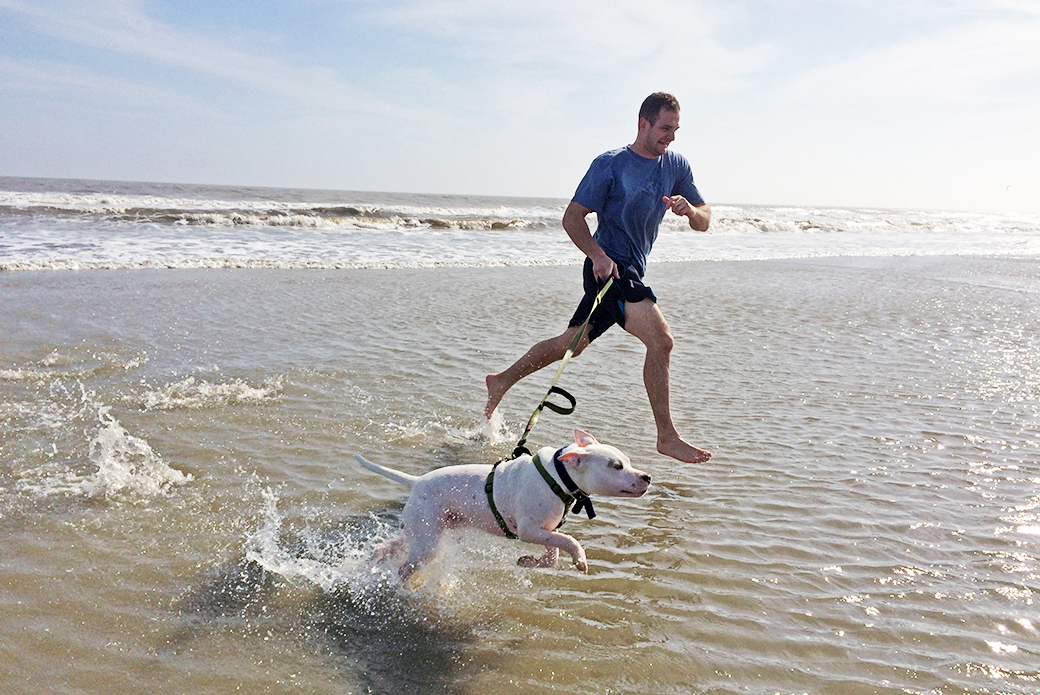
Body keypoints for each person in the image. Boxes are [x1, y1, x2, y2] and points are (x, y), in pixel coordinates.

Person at [485, 92, 713, 464]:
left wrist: (691, 212)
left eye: (675, 130)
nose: (670, 137)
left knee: (571, 344)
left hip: (630, 269)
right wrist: (598, 255)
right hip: (610, 270)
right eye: (664, 128)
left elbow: (705, 220)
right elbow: (572, 218)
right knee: (662, 341)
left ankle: (502, 380)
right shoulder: (610, 165)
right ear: (643, 124)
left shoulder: (676, 166)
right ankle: (667, 437)